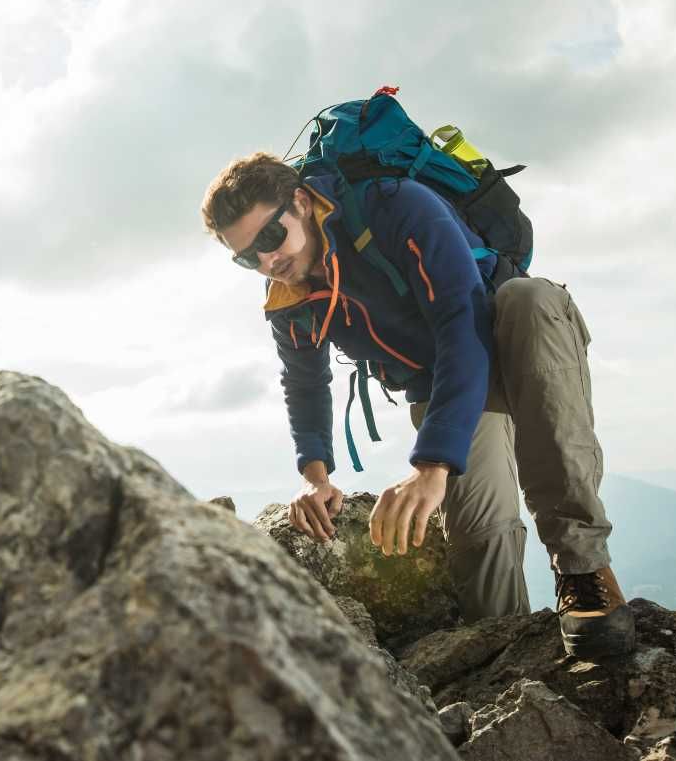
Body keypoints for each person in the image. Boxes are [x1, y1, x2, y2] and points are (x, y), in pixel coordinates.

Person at [201, 151, 635, 658]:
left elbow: (461, 320)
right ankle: (512, 655)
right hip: (440, 385)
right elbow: (304, 383)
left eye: (270, 239)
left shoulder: (394, 207)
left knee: (528, 300)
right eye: (246, 258)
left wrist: (432, 465)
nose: (267, 262)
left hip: (512, 338)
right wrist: (315, 477)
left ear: (301, 201)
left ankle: (584, 573)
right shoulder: (288, 299)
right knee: (479, 539)